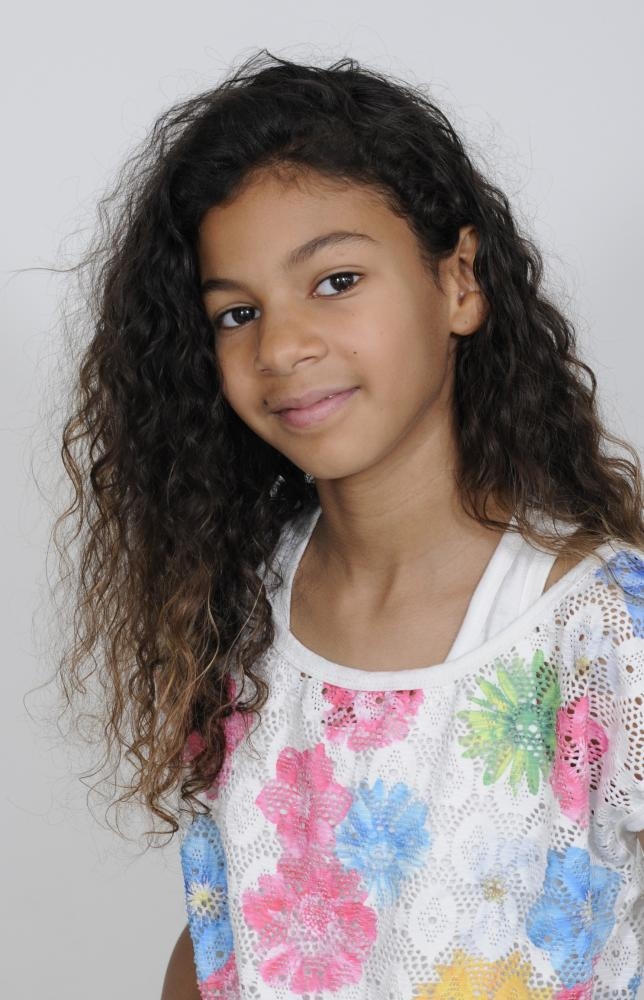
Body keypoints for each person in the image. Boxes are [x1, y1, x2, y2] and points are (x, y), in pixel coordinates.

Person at [51, 49, 644, 999]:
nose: (282, 345)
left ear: (459, 283)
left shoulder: (602, 631)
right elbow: (227, 927)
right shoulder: (236, 603)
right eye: (237, 312)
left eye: (335, 281)